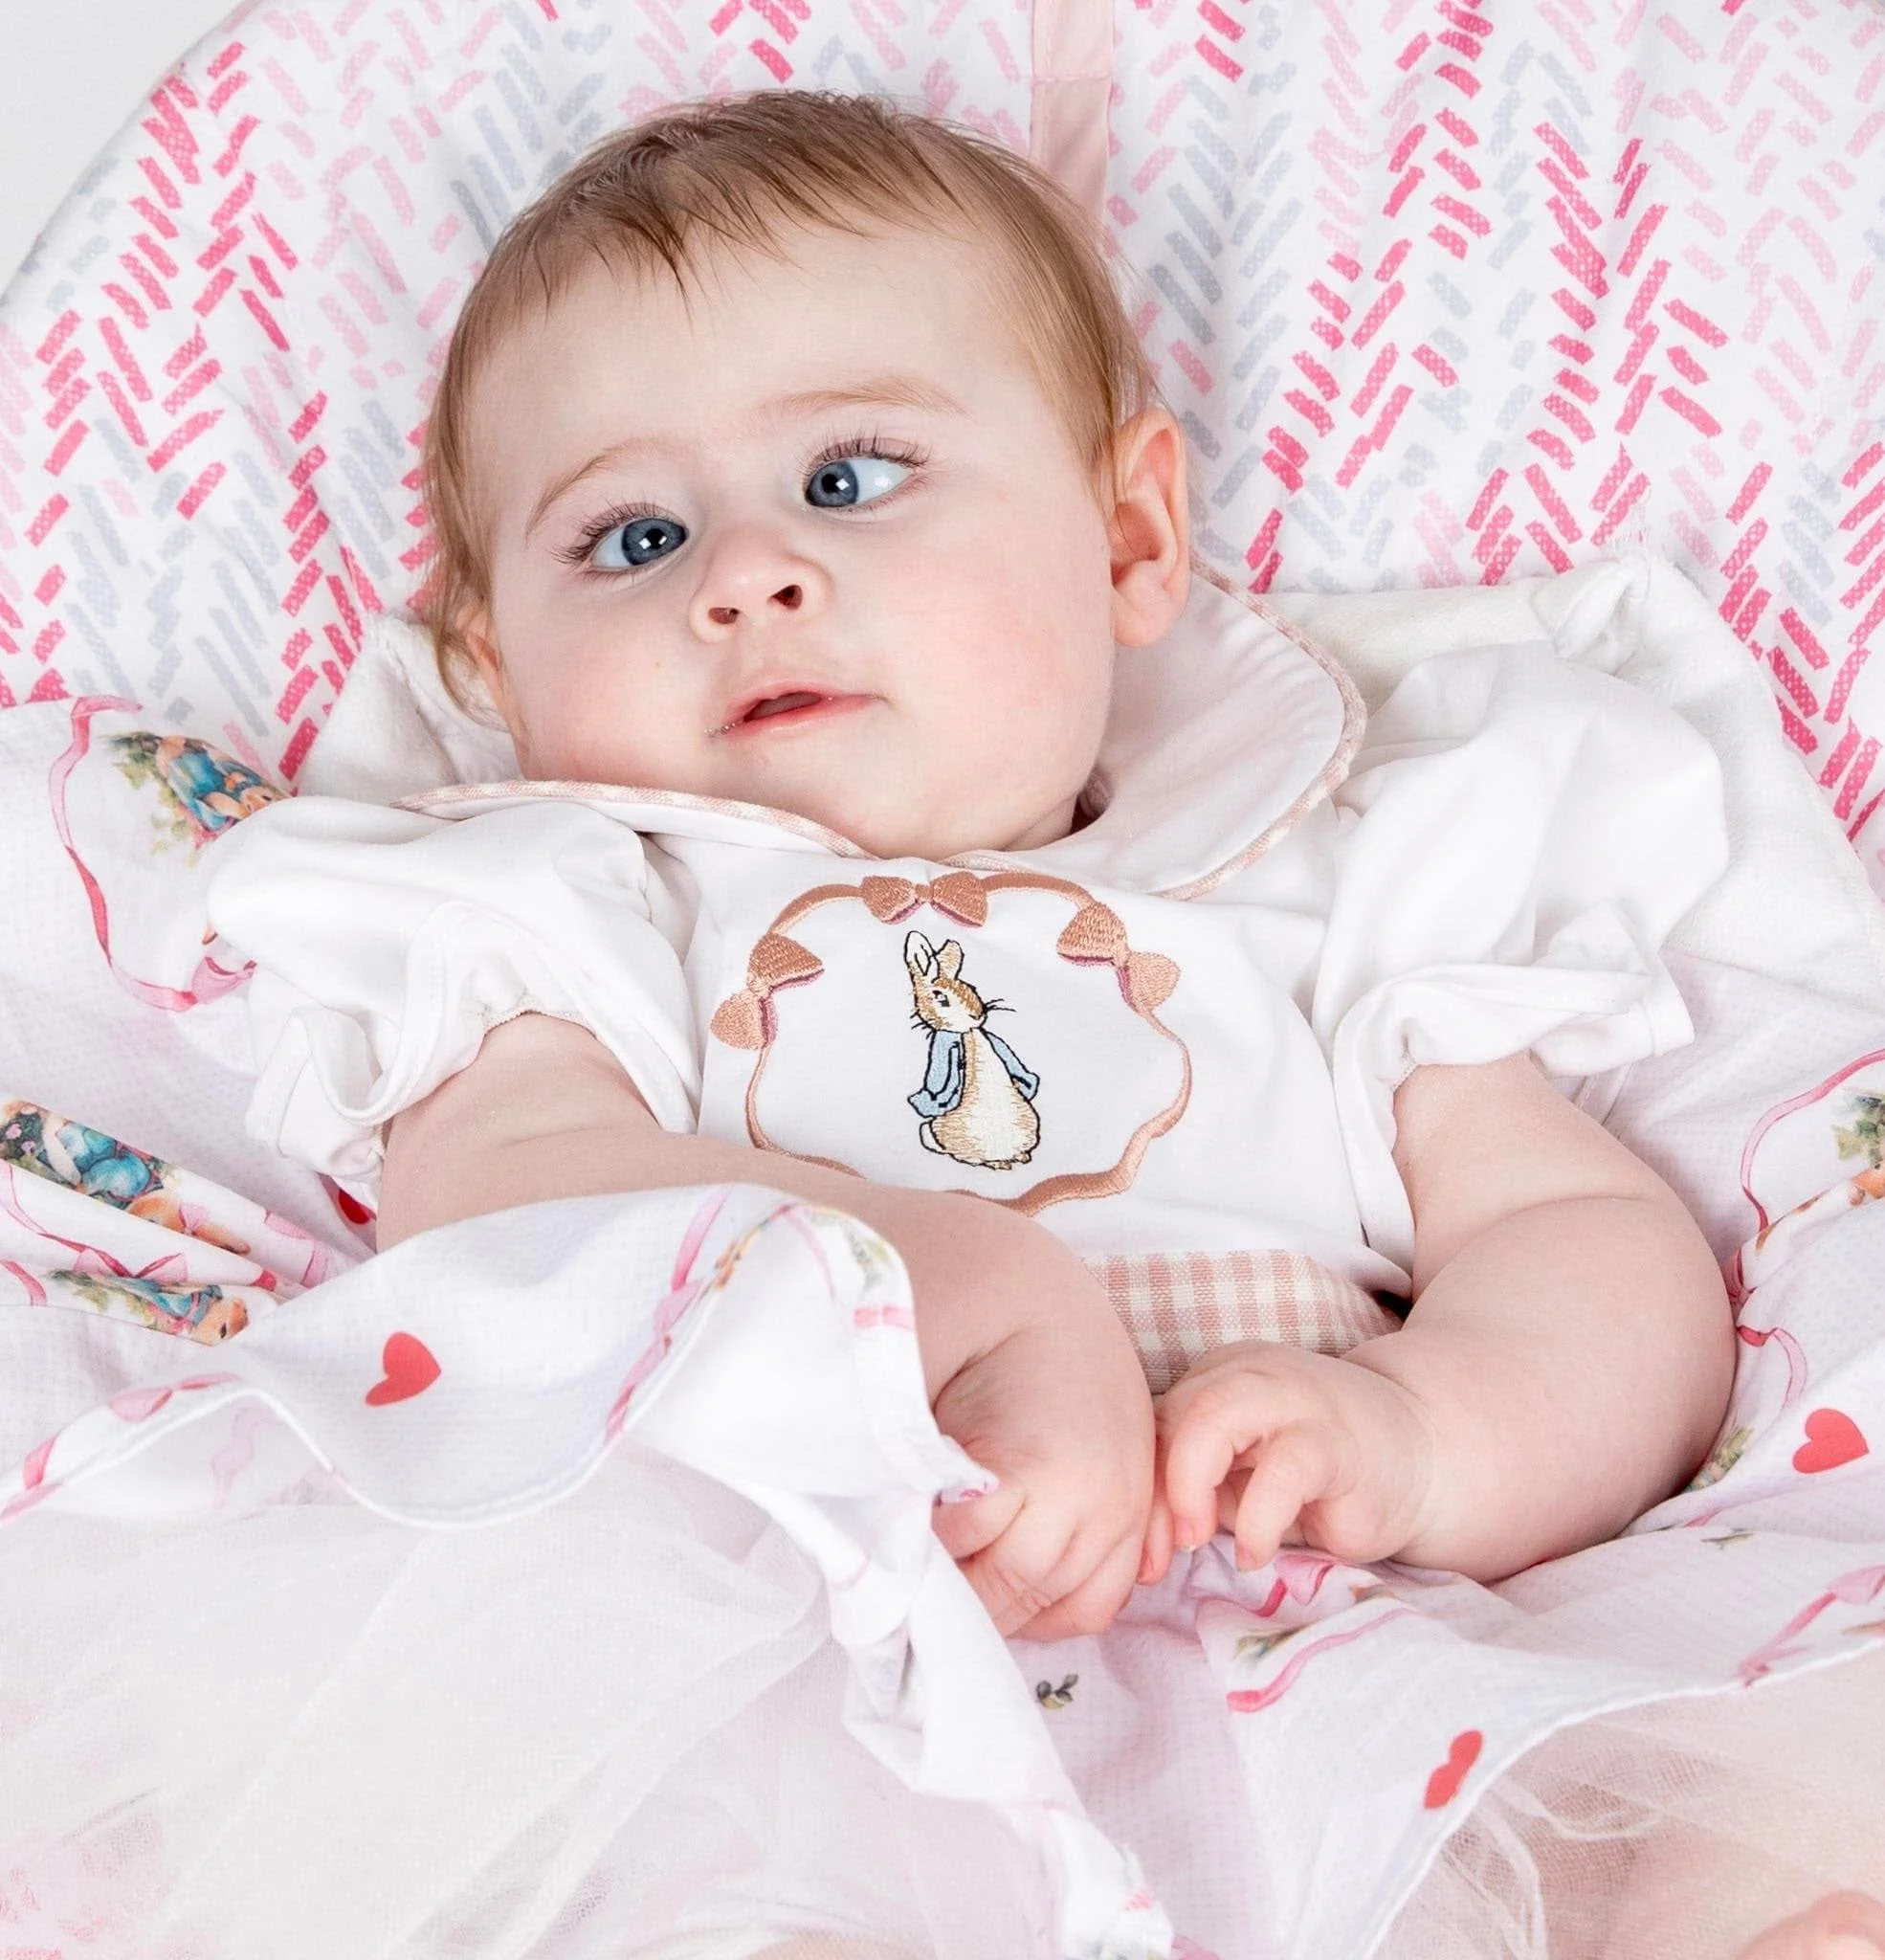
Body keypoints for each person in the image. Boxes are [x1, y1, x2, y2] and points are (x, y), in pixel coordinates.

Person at [202, 89, 1882, 1960]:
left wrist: (1420, 1426)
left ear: (1129, 535)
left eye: (848, 477)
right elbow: (499, 1194)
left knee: (1716, 1865)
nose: (743, 573)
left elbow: (1583, 1244)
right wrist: (958, 1289)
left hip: (1325, 1654)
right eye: (631, 533)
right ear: (498, 675)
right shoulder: (588, 914)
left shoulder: (1324, 873)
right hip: (814, 1676)